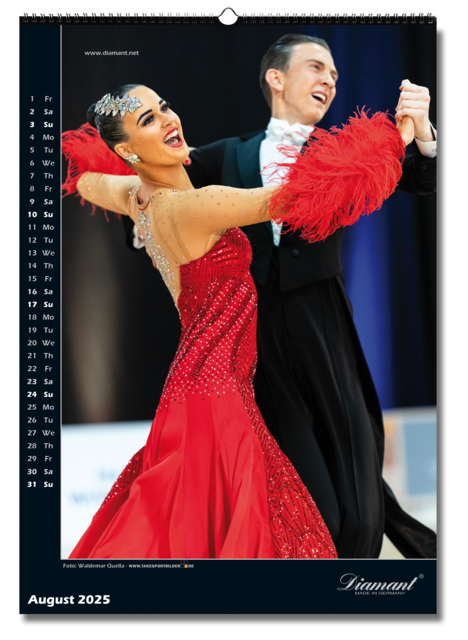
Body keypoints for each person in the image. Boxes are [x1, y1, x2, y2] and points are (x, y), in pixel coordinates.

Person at [122, 35, 438, 559]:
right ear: (276, 78)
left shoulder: (344, 153)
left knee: (360, 491)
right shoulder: (226, 155)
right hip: (256, 332)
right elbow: (156, 189)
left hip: (324, 322)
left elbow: (420, 178)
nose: (329, 80)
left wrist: (422, 132)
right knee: (310, 499)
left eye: (334, 75)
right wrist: (144, 226)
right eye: (316, 67)